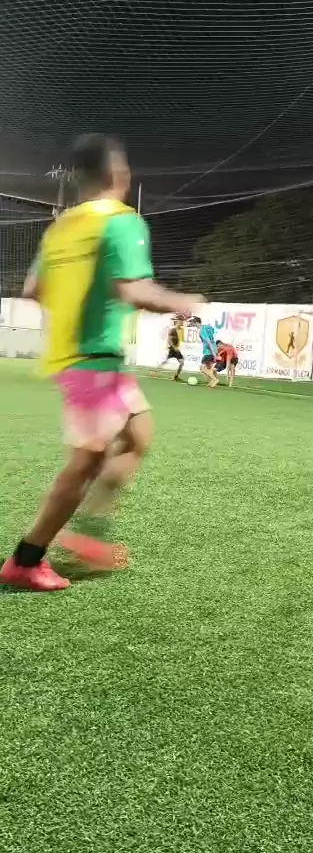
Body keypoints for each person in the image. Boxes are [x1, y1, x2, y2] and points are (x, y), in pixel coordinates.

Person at [0, 133, 203, 592]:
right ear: (119, 174)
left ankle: (86, 537)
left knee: (137, 436)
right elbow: (134, 290)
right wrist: (183, 301)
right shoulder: (121, 222)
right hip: (94, 361)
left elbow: (33, 290)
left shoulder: (63, 226)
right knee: (87, 462)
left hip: (83, 357)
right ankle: (26, 558)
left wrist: (77, 310)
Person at [191, 317, 218, 388]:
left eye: (194, 323)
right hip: (214, 348)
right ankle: (211, 382)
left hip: (208, 351)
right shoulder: (208, 327)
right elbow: (212, 332)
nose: (194, 325)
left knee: (202, 368)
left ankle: (215, 380)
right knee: (208, 368)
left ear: (197, 322)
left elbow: (208, 341)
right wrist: (215, 352)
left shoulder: (202, 331)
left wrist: (213, 353)